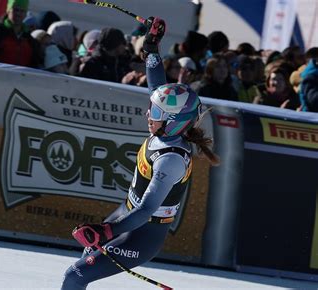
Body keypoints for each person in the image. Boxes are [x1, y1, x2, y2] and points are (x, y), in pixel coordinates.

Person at [61, 16, 220, 290]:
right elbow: (156, 85)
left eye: (156, 112)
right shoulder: (166, 129)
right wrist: (152, 46)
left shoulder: (170, 158)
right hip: (126, 215)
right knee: (82, 268)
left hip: (141, 233)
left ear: (174, 121)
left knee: (74, 276)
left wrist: (105, 231)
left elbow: (147, 210)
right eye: (151, 108)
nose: (148, 114)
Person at [0, 0, 43, 68]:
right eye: (16, 10)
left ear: (25, 14)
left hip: (22, 77)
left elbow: (34, 63)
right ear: (8, 10)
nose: (18, 13)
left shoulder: (29, 38)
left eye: (22, 11)